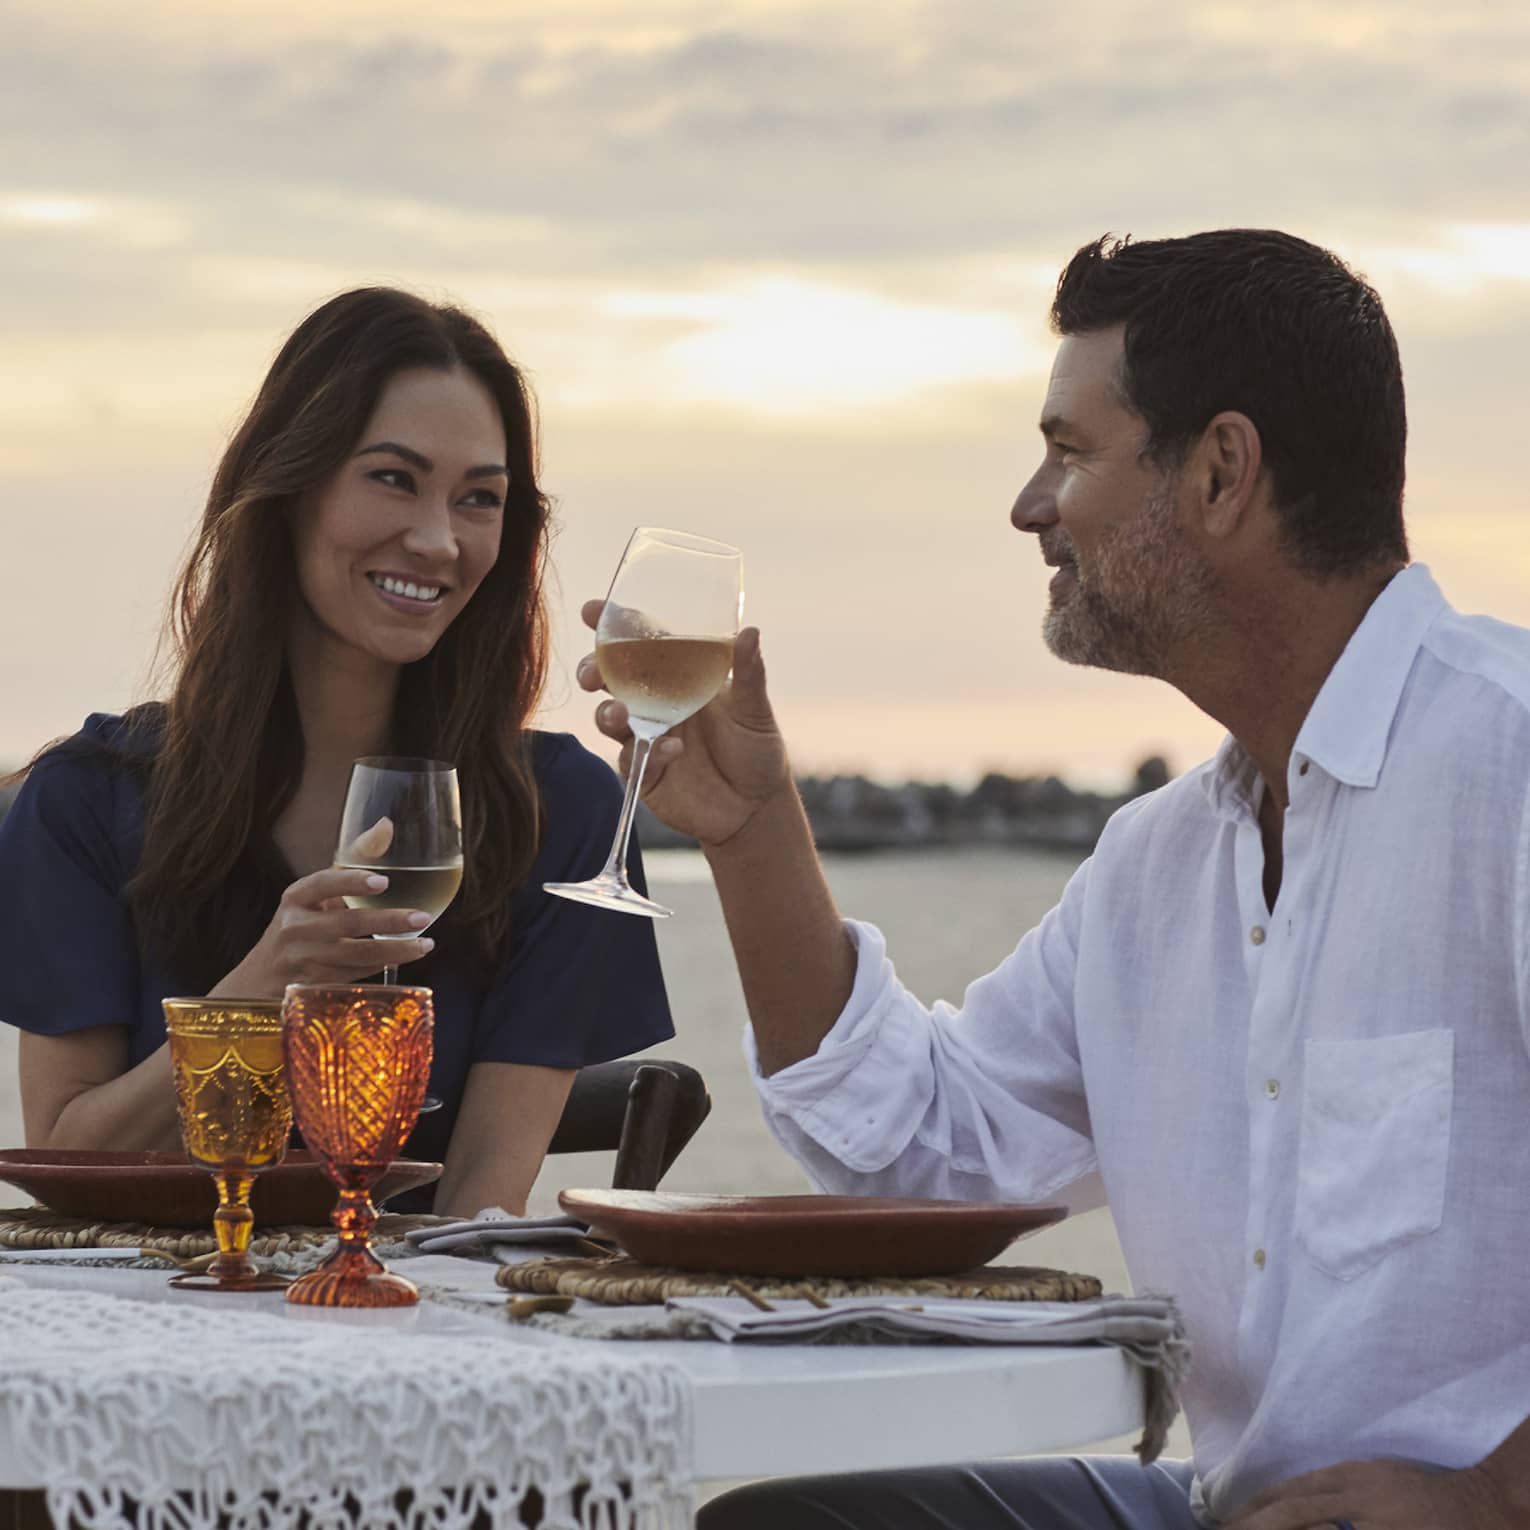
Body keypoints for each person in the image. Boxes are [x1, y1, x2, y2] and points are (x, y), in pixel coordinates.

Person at [579, 231, 1530, 1527]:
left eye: (1069, 452)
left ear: (1219, 471)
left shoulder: (1507, 762)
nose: (1029, 505)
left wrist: (1490, 1492)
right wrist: (750, 833)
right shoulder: (1154, 865)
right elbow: (922, 1147)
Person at [0, 286, 673, 1218]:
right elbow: (71, 1168)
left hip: (406, 1332)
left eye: (479, 498)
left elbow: (479, 1206)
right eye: (393, 478)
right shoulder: (88, 799)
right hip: (148, 1329)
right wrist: (268, 987)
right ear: (287, 487)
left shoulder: (557, 815)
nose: (439, 540)